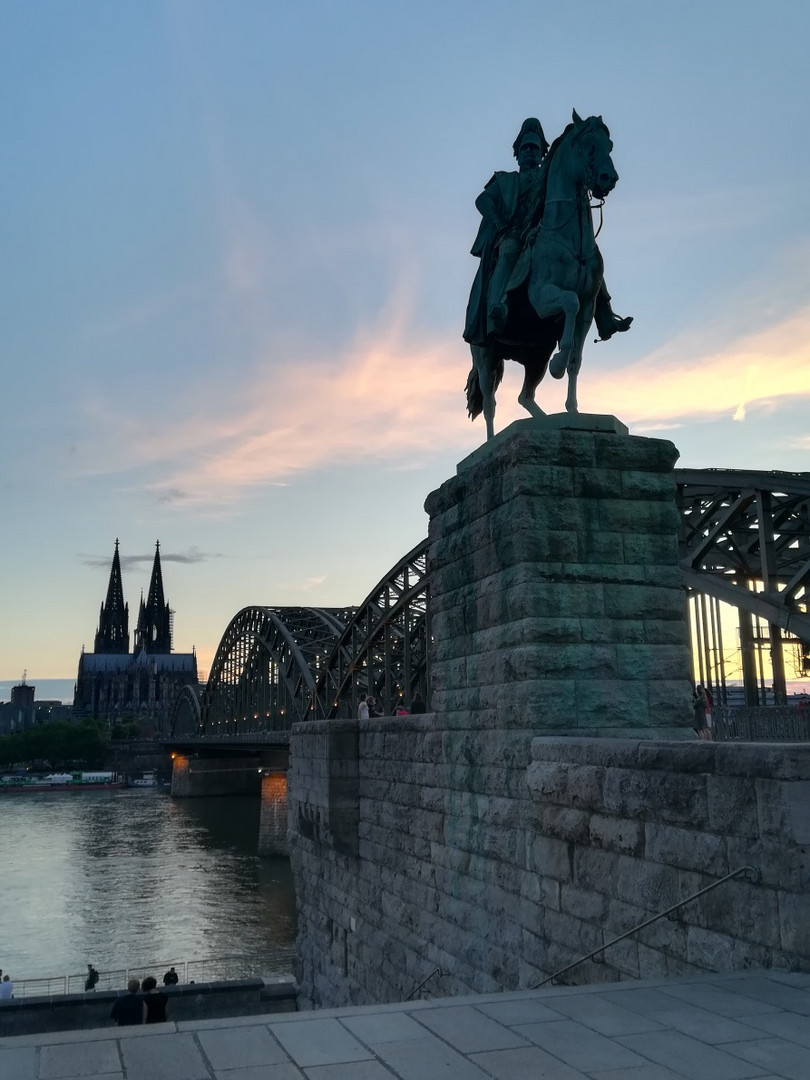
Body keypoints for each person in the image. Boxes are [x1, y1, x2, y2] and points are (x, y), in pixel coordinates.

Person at [464, 116, 631, 347]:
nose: (530, 152)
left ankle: (605, 313)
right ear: (518, 153)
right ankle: (498, 303)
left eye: (535, 148)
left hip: (543, 232)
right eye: (526, 148)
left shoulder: (549, 175)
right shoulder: (506, 180)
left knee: (588, 255)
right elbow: (482, 200)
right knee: (510, 247)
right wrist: (501, 222)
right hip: (513, 232)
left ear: (543, 152)